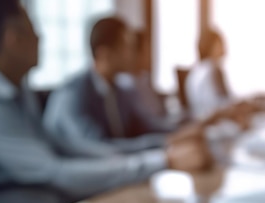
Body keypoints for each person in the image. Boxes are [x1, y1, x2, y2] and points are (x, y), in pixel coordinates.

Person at [0, 0, 211, 203]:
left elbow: (70, 148)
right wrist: (162, 160)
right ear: (12, 38)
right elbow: (55, 171)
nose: (40, 37)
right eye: (33, 28)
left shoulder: (15, 88)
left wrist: (158, 154)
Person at [43, 16, 189, 157]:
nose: (134, 53)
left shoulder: (120, 91)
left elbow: (147, 126)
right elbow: (99, 149)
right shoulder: (73, 94)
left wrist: (185, 132)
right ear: (104, 54)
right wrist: (162, 143)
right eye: (127, 46)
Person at [185, 29, 234, 121]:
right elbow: (220, 106)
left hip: (198, 123)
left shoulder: (194, 72)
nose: (224, 47)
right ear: (211, 46)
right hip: (214, 124)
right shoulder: (213, 69)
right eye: (221, 43)